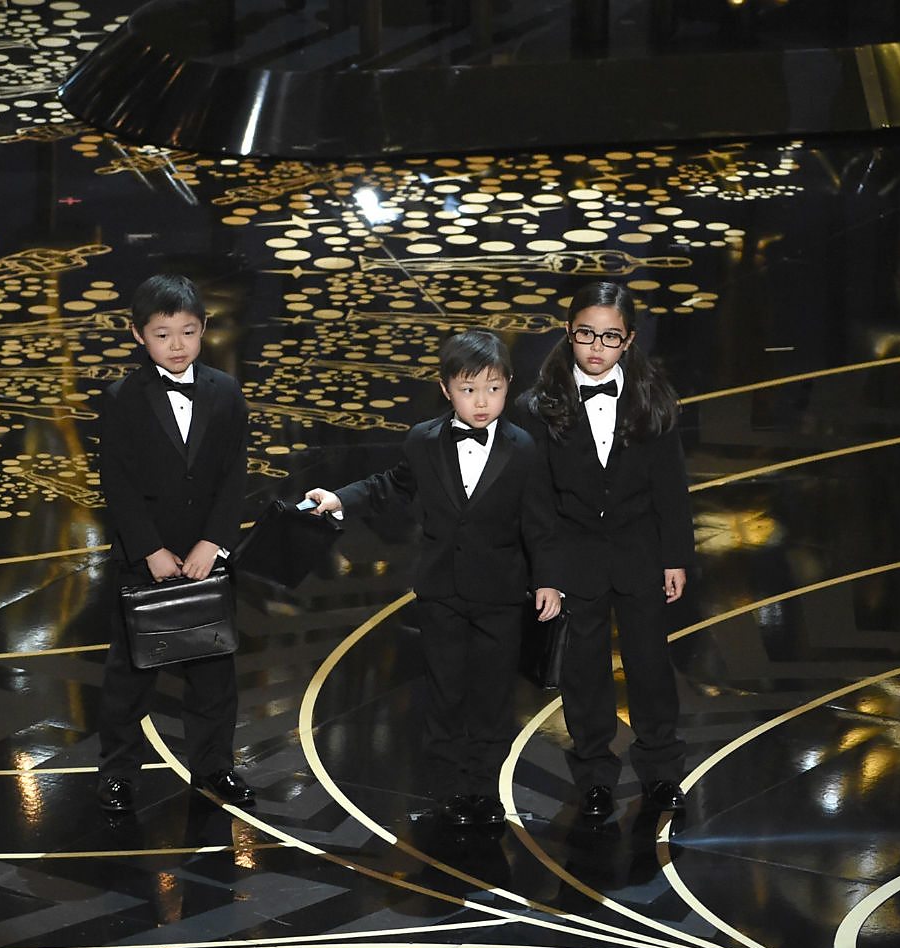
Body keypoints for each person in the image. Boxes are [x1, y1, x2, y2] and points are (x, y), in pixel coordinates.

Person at [304, 332, 562, 829]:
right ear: (446, 390)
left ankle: (484, 790)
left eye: (492, 388)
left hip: (501, 594)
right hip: (441, 590)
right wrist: (340, 498)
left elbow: (540, 521)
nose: (481, 401)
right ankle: (447, 790)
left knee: (492, 696)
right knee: (444, 692)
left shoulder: (525, 448)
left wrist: (548, 580)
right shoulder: (423, 439)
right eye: (469, 390)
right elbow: (392, 485)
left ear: (509, 386)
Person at [518, 282, 694, 824]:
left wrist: (676, 557)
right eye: (587, 334)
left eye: (610, 336)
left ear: (629, 340)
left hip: (640, 554)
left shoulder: (652, 399)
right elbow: (536, 504)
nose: (596, 347)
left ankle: (661, 770)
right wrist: (545, 574)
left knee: (650, 664)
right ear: (569, 332)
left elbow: (671, 488)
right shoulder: (537, 407)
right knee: (583, 672)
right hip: (574, 560)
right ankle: (594, 773)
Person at [95, 274, 252, 812]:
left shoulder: (226, 393)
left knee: (214, 674)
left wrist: (214, 542)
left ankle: (215, 768)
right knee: (131, 674)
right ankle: (117, 773)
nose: (178, 346)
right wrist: (150, 550)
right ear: (139, 335)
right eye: (163, 335)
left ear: (204, 329)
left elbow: (235, 476)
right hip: (148, 559)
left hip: (207, 557)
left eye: (188, 332)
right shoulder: (121, 398)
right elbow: (116, 484)